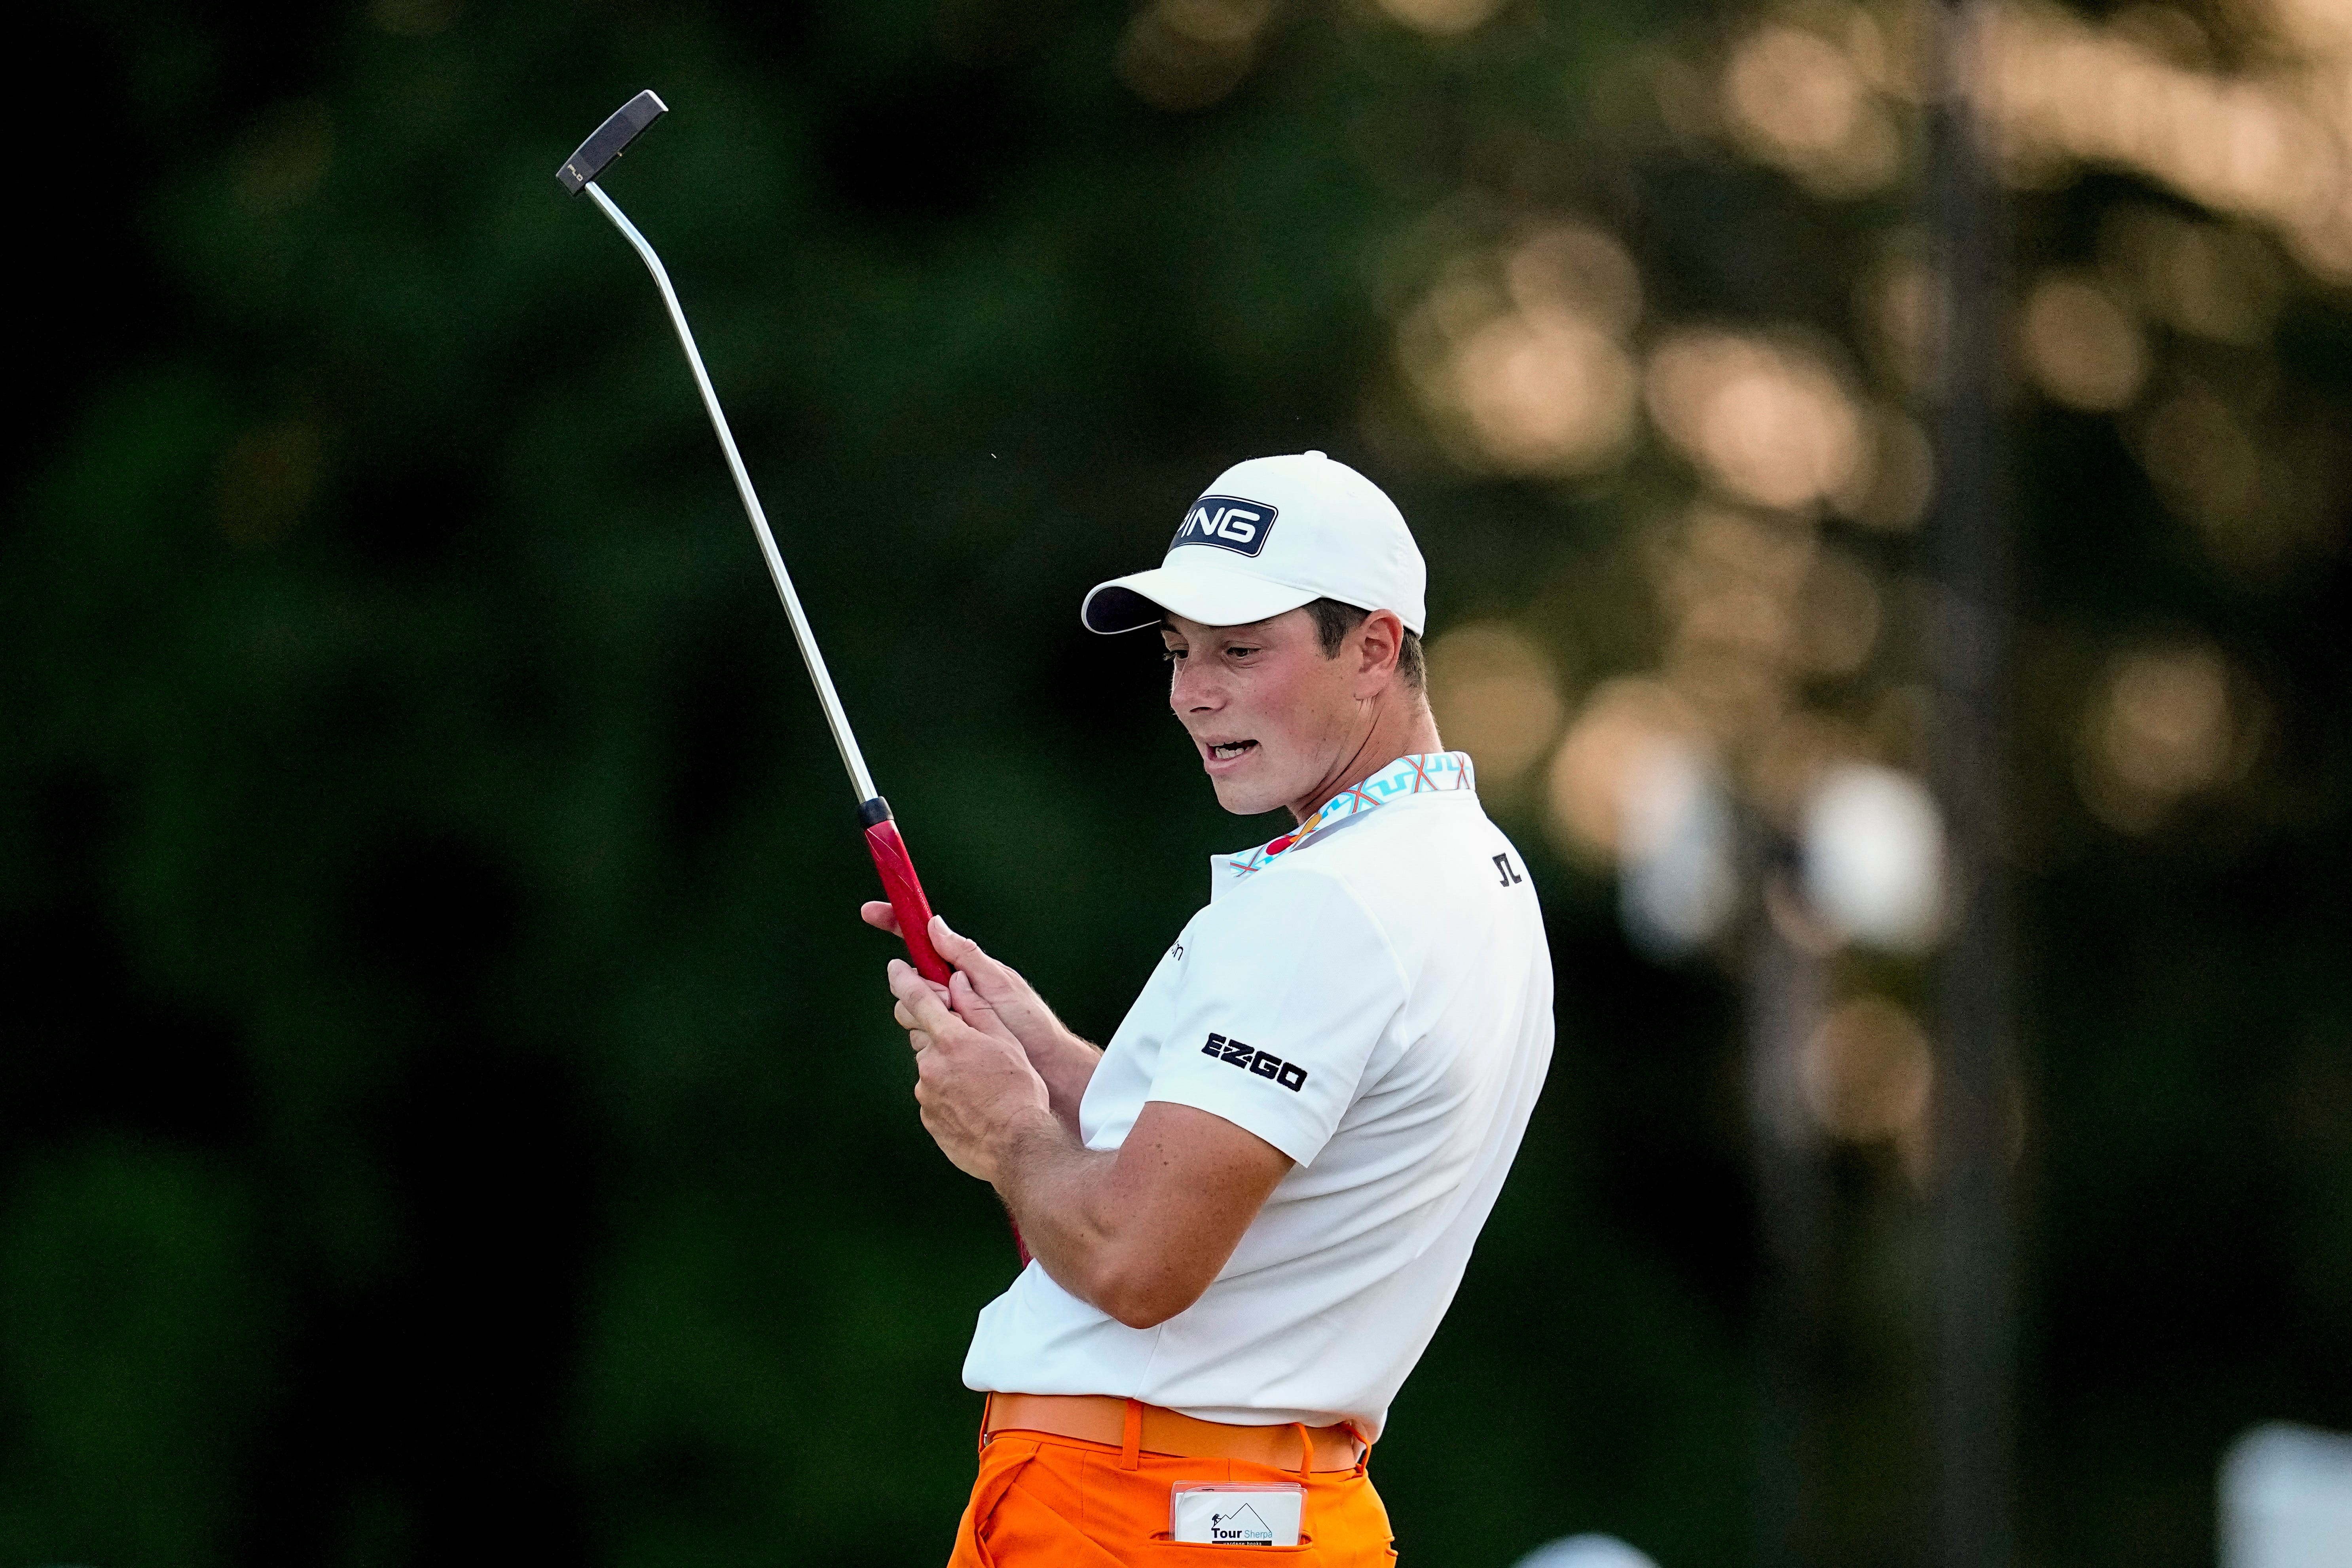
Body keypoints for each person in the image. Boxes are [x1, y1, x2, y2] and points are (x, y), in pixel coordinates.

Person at [864, 451, 1554, 1564]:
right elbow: (1256, 1164)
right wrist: (1049, 1062)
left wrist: (1010, 1134)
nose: (1193, 691)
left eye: (1242, 648)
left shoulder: (1337, 900)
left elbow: (1137, 1255)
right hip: (1269, 1516)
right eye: (1182, 653)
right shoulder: (1474, 868)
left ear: (1374, 648)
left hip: (1138, 1517)